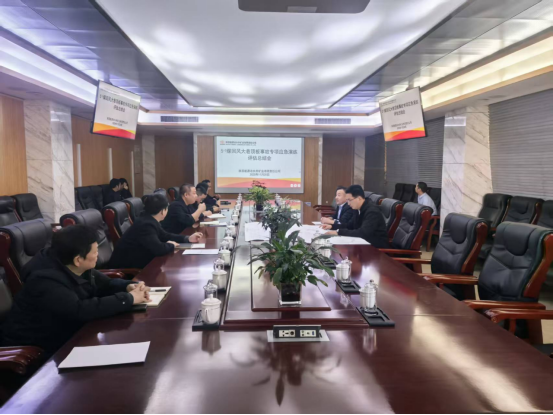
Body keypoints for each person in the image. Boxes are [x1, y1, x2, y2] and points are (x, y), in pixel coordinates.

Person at [1, 225, 151, 355]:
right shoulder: (45, 280)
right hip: (38, 350)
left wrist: (127, 286)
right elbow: (80, 310)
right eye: (95, 252)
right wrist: (129, 299)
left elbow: (105, 283)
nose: (98, 255)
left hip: (69, 334)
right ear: (78, 260)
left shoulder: (69, 263)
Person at [108, 193, 203, 269]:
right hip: (127, 269)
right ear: (162, 211)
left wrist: (187, 238)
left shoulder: (149, 219)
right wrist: (171, 245)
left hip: (139, 261)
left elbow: (165, 235)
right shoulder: (146, 225)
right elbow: (159, 249)